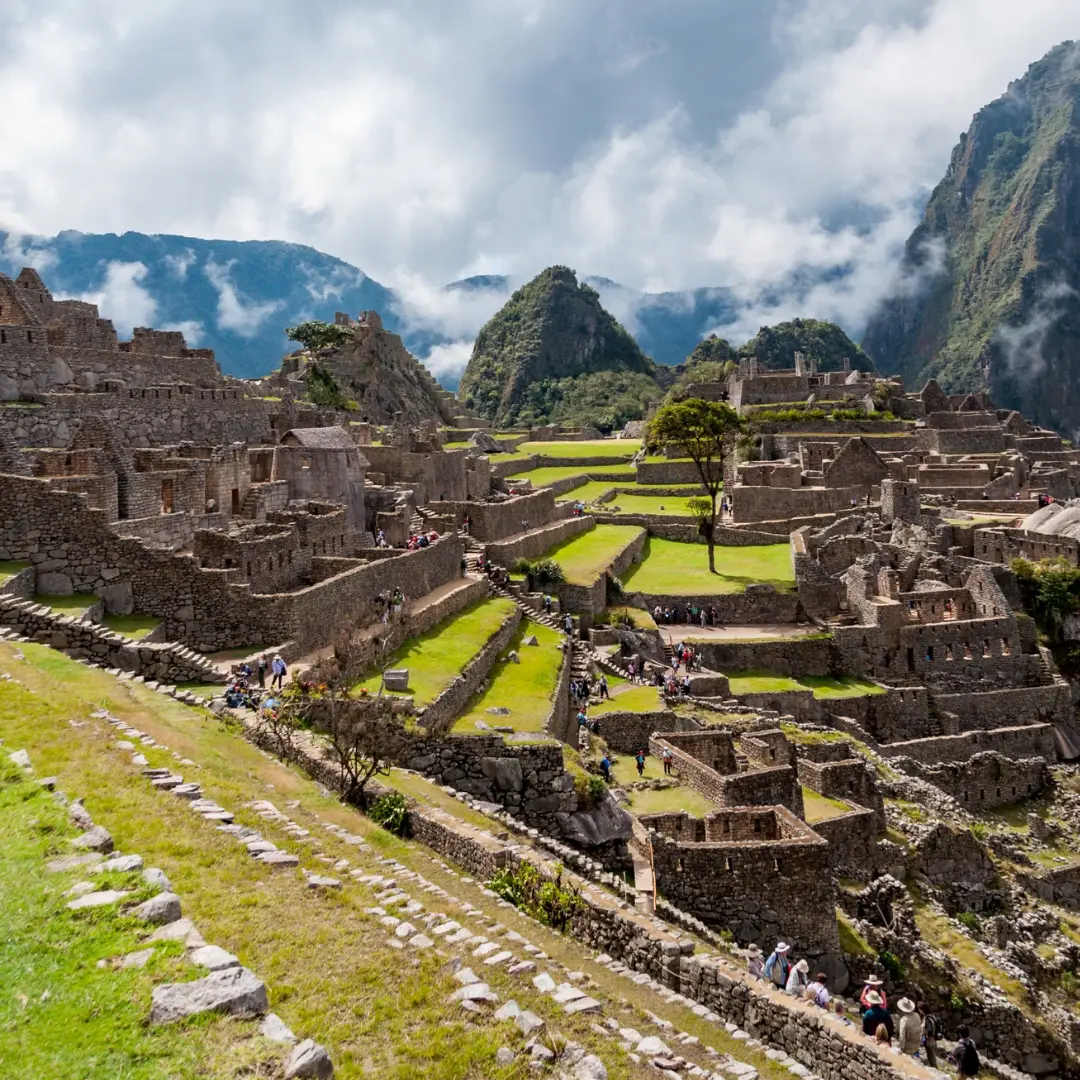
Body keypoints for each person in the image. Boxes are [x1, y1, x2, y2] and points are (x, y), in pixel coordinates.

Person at [919, 1000, 942, 1067]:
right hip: (933, 1039)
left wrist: (925, 1038)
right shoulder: (932, 1016)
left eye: (920, 1010)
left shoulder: (928, 1019)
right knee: (931, 1055)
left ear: (923, 1010)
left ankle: (934, 1069)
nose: (919, 1011)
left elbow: (930, 1030)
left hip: (930, 1040)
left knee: (931, 1056)